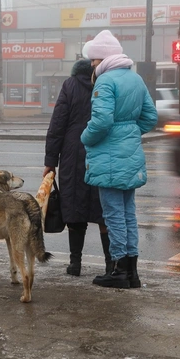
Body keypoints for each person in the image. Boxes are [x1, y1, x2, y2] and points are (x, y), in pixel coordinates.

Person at [80, 30, 158, 289]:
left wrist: (86, 138)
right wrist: (130, 133)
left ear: (101, 59)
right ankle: (132, 272)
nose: (91, 65)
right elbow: (150, 118)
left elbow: (101, 121)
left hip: (109, 156)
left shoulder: (105, 81)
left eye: (93, 60)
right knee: (127, 214)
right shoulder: (135, 78)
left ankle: (119, 271)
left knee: (113, 214)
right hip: (130, 154)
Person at [43, 57, 110, 278]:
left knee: (74, 208)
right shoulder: (105, 83)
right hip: (101, 150)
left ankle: (75, 264)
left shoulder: (69, 85)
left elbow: (57, 124)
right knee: (103, 211)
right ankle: (111, 266)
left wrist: (50, 162)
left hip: (72, 153)